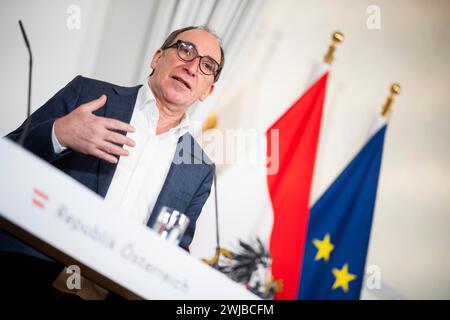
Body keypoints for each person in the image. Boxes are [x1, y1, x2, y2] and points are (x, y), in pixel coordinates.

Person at [0, 25, 225, 299]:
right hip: (31, 271)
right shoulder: (88, 94)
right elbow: (8, 159)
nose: (191, 67)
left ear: (207, 91)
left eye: (207, 65)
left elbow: (174, 249)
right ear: (157, 58)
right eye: (185, 50)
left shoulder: (198, 169)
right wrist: (58, 133)